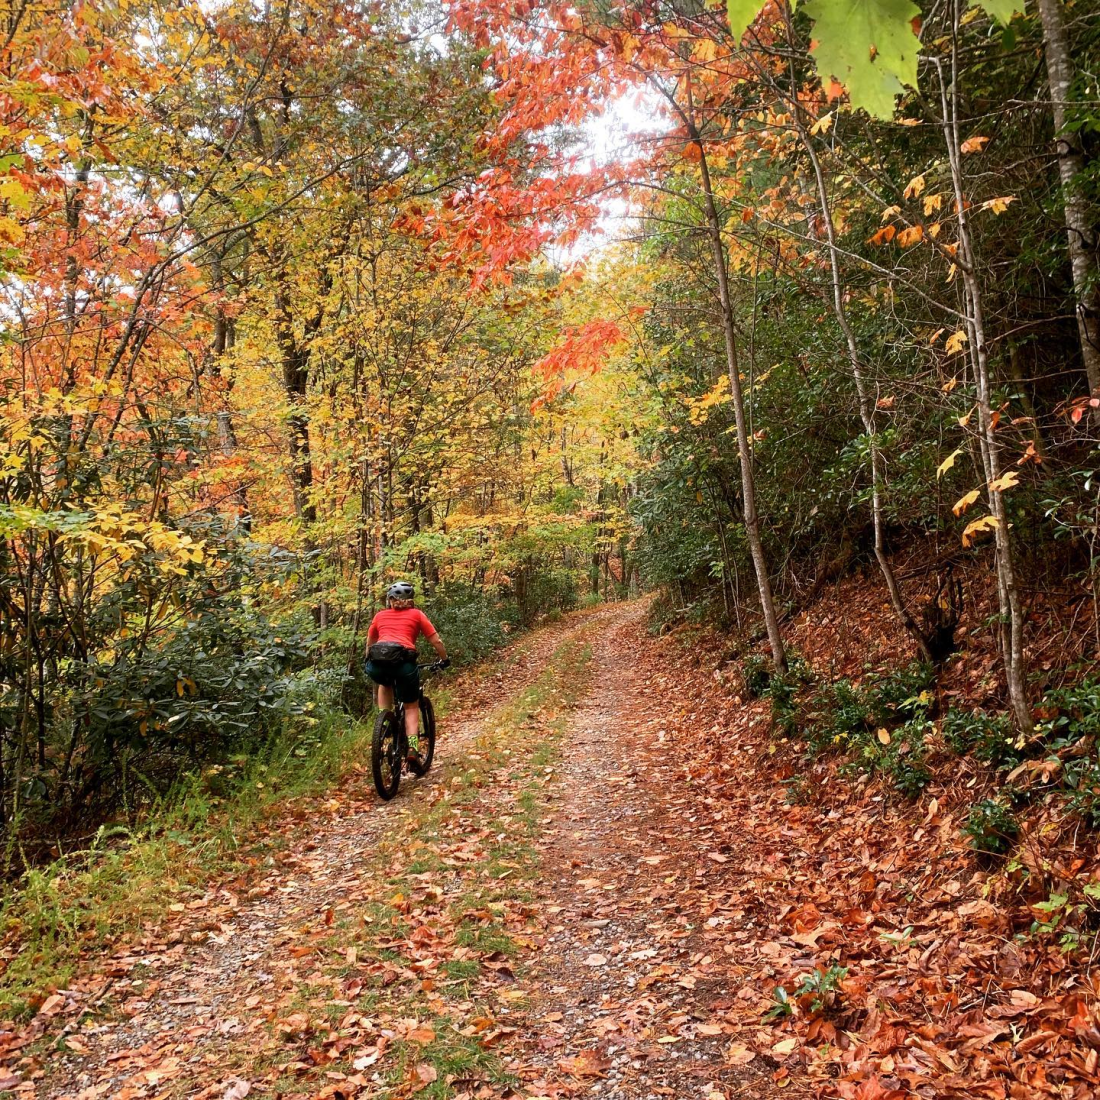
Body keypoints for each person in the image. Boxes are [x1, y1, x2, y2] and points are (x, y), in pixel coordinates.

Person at [365, 581, 449, 758]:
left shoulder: (380, 616)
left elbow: (370, 641)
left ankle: (384, 720)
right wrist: (444, 659)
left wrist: (367, 657)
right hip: (404, 665)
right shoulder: (417, 615)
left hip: (378, 664)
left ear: (390, 599)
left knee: (384, 683)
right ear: (411, 600)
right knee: (411, 706)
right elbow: (436, 641)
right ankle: (412, 748)